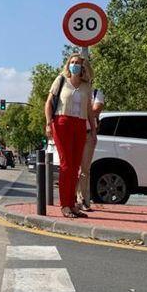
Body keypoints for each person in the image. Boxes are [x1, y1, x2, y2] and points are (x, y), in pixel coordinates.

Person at [45, 53, 95, 218]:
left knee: (75, 166)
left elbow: (89, 110)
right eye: (72, 62)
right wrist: (48, 123)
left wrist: (93, 130)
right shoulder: (61, 80)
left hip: (80, 124)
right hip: (62, 123)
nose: (75, 65)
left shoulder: (87, 86)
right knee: (66, 165)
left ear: (83, 67)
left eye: (78, 63)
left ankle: (73, 204)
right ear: (68, 65)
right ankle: (64, 205)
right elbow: (48, 103)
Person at [78, 87, 105, 211]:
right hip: (74, 133)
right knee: (73, 168)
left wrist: (80, 110)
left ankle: (83, 200)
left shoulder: (96, 93)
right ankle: (71, 199)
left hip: (88, 134)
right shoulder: (75, 92)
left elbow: (96, 110)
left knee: (85, 169)